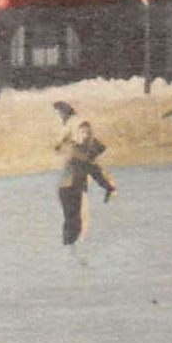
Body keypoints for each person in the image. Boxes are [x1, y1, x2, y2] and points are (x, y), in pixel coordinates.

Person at [55, 101, 113, 253]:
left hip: (69, 187)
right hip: (70, 188)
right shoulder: (81, 155)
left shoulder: (79, 152)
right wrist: (108, 187)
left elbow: (95, 170)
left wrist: (107, 187)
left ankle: (69, 248)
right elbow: (95, 171)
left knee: (73, 221)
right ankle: (70, 249)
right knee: (74, 221)